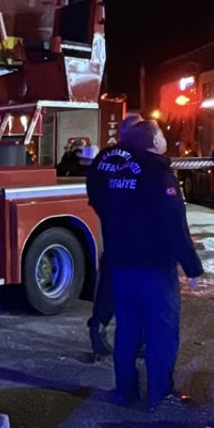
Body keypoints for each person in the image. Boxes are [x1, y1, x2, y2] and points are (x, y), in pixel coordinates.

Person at [86, 118, 203, 409]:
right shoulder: (158, 176)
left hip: (121, 265)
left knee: (127, 330)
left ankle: (125, 391)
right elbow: (174, 225)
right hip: (154, 268)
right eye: (161, 134)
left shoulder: (116, 174)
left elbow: (100, 201)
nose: (165, 138)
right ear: (154, 143)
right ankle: (161, 394)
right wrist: (192, 267)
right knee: (161, 332)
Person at [85, 114, 143, 358]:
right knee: (138, 286)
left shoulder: (102, 158)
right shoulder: (140, 159)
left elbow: (93, 191)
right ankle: (137, 340)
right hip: (136, 232)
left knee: (110, 279)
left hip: (112, 228)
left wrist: (108, 214)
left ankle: (98, 325)